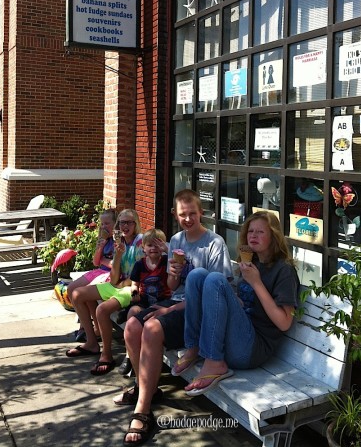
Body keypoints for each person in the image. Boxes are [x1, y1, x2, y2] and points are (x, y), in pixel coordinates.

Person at [115, 189, 233, 447]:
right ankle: (145, 386)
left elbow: (216, 295)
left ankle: (143, 410)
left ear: (202, 213)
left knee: (153, 328)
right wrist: (174, 273)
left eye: (193, 213)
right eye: (183, 215)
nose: (188, 219)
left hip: (198, 312)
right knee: (132, 325)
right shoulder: (177, 240)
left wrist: (167, 310)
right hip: (176, 301)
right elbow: (172, 285)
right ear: (175, 215)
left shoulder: (215, 244)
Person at [173, 210, 300, 397]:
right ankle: (193, 347)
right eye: (250, 231)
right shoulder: (251, 262)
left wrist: (256, 282)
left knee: (216, 279)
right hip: (234, 336)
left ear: (274, 236)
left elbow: (284, 322)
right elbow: (246, 305)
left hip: (251, 350)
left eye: (260, 232)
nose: (253, 236)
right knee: (197, 275)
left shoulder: (284, 271)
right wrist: (232, 299)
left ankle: (215, 363)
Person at [65, 209, 143, 377]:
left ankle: (106, 355)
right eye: (122, 223)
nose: (125, 226)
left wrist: (123, 282)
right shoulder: (120, 242)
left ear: (136, 224)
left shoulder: (139, 242)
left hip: (133, 287)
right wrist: (119, 255)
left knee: (101, 309)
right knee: (77, 294)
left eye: (129, 222)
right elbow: (114, 279)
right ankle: (92, 342)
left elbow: (141, 274)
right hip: (118, 284)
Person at [118, 228, 171, 377]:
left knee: (150, 321)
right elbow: (135, 284)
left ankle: (144, 358)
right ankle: (129, 355)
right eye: (150, 245)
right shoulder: (140, 265)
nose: (153, 248)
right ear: (144, 248)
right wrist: (134, 293)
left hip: (162, 301)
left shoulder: (166, 262)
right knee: (132, 312)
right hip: (144, 299)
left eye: (157, 245)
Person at [66, 208, 117, 341]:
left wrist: (103, 260)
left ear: (115, 224)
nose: (104, 227)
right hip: (99, 271)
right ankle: (85, 326)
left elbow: (116, 265)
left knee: (86, 293)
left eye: (107, 223)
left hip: (111, 274)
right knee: (71, 288)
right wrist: (100, 246)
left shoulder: (118, 241)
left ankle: (96, 329)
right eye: (102, 224)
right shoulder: (103, 239)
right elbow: (95, 262)